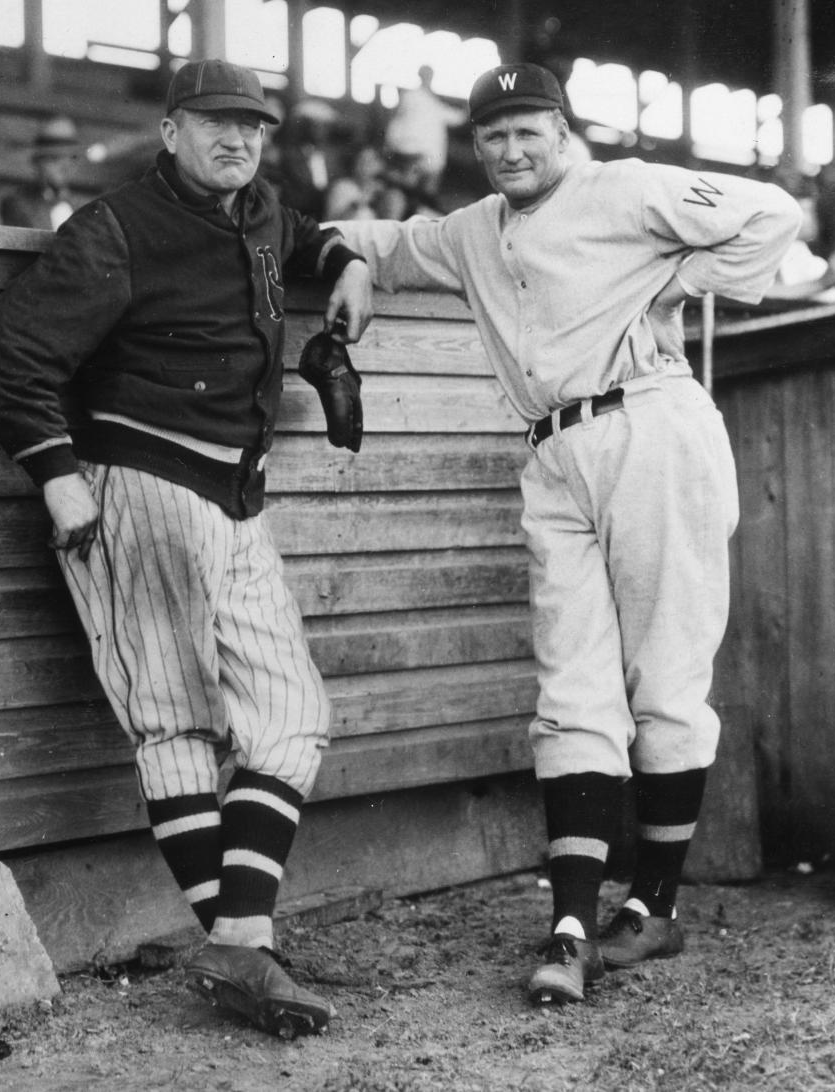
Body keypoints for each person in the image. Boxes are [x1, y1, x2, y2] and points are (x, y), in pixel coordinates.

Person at [332, 63, 800, 1006]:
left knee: (665, 678)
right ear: (476, 146)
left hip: (650, 424)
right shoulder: (471, 230)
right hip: (551, 451)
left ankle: (653, 908)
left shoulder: (621, 186)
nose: (512, 149)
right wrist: (347, 260)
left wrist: (681, 278)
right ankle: (575, 923)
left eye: (529, 130)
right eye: (494, 135)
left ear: (562, 130)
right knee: (571, 683)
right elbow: (381, 238)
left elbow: (775, 214)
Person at [0, 58, 373, 1037]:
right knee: (176, 721)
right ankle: (239, 943)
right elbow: (5, 348)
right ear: (170, 131)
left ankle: (238, 937)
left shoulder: (262, 209)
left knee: (291, 713)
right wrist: (56, 472)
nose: (237, 140)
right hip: (136, 486)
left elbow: (304, 238)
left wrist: (348, 261)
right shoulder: (117, 227)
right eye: (215, 123)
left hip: (234, 497)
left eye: (254, 126)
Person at [383, 64, 465, 198]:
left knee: (427, 194)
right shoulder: (411, 96)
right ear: (420, 76)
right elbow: (398, 120)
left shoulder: (432, 100)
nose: (428, 78)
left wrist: (466, 112)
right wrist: (392, 143)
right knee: (407, 190)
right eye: (425, 75)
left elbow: (453, 117)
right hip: (414, 152)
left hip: (433, 158)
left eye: (430, 75)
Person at [0, 115, 92, 231]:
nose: (64, 167)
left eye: (71, 158)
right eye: (54, 159)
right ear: (37, 162)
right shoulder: (18, 204)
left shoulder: (84, 207)